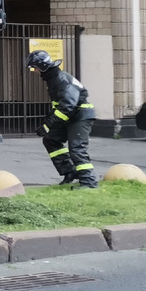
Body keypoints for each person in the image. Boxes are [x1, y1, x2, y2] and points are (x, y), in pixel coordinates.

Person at [26, 49, 97, 188]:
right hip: (72, 116)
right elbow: (60, 106)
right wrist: (47, 122)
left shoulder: (61, 79)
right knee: (51, 139)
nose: (34, 71)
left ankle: (89, 182)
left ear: (42, 67)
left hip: (80, 116)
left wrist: (49, 124)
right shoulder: (54, 78)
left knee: (77, 148)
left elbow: (67, 106)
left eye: (34, 68)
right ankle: (70, 172)